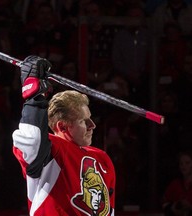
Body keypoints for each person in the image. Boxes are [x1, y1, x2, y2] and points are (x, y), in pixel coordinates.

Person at [12, 56, 116, 215]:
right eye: (83, 121)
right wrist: (33, 96)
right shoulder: (52, 152)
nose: (92, 125)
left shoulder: (102, 159)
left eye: (91, 118)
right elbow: (31, 140)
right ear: (62, 126)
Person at [162, 150, 192, 216]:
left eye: (187, 163)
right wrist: (172, 207)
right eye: (181, 163)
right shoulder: (175, 184)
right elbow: (164, 203)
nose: (183, 166)